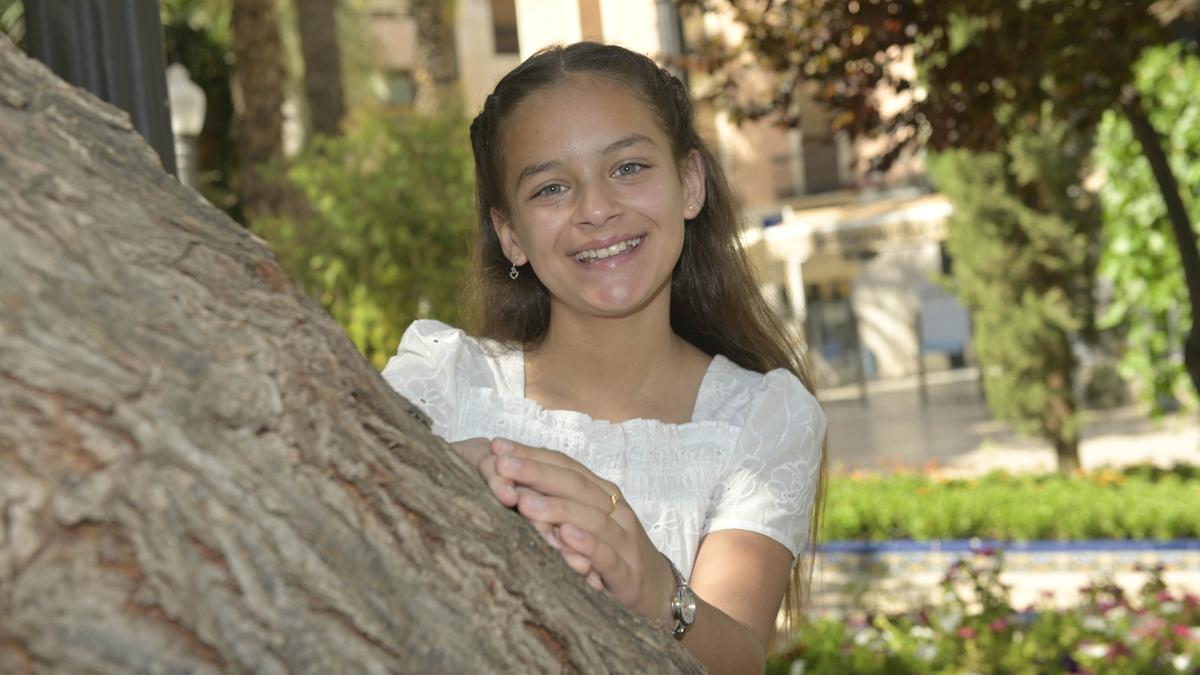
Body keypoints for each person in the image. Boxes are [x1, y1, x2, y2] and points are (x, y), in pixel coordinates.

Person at [382, 41, 827, 674]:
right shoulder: (440, 383)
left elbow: (740, 660)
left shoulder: (764, 418)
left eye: (628, 168)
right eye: (552, 187)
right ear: (510, 234)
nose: (596, 210)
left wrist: (655, 590)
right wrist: (444, 483)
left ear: (691, 183)